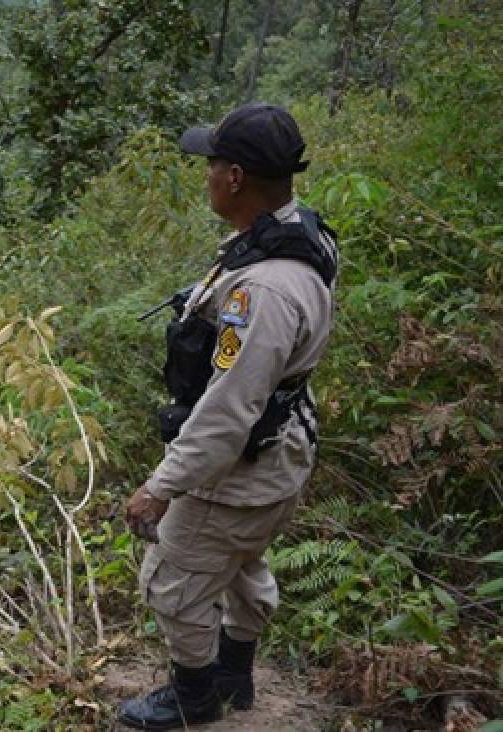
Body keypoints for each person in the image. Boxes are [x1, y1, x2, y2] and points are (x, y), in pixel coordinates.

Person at [117, 103, 339, 730]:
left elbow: (227, 413)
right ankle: (237, 671)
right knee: (242, 562)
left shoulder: (263, 291)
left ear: (235, 177)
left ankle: (194, 697)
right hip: (285, 449)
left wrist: (159, 488)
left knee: (169, 578)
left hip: (242, 467)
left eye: (211, 164)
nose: (207, 174)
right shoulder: (303, 233)